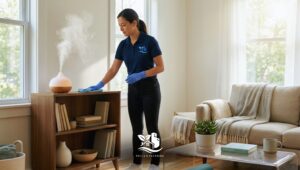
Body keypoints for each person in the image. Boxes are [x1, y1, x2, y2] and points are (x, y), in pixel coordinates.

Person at [79, 8, 164, 170]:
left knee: (151, 126)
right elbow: (113, 70)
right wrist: (99, 84)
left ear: (134, 23)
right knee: (136, 127)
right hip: (133, 90)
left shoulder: (149, 41)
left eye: (124, 25)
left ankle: (155, 164)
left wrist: (141, 74)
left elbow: (160, 67)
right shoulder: (123, 45)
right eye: (119, 26)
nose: (121, 29)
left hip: (150, 90)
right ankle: (136, 163)